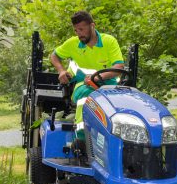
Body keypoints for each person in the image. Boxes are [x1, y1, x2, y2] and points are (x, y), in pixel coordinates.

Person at [50, 10, 124, 138]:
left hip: (109, 85)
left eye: (81, 29)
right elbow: (54, 55)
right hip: (82, 85)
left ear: (92, 26)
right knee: (86, 96)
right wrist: (61, 71)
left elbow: (119, 67)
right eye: (76, 31)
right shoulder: (72, 44)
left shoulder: (109, 41)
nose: (79, 34)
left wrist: (97, 77)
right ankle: (81, 136)